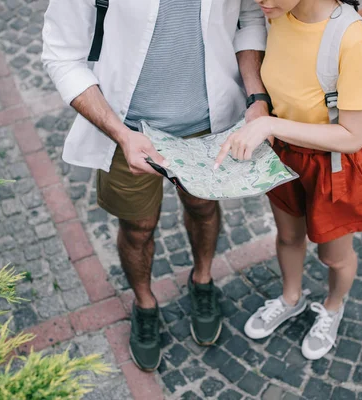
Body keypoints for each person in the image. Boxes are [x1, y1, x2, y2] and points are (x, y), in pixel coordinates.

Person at [42, 0, 269, 371]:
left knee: (203, 206)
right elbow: (62, 56)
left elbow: (250, 16)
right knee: (137, 227)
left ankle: (203, 280)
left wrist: (256, 96)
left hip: (211, 123)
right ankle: (145, 304)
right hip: (126, 130)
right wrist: (120, 134)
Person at [215, 0, 362, 360]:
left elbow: (352, 136)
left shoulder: (351, 39)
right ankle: (291, 297)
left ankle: (332, 307)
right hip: (286, 156)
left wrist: (270, 124)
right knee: (288, 236)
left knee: (334, 256)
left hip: (332, 166)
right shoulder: (279, 15)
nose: (260, 1)